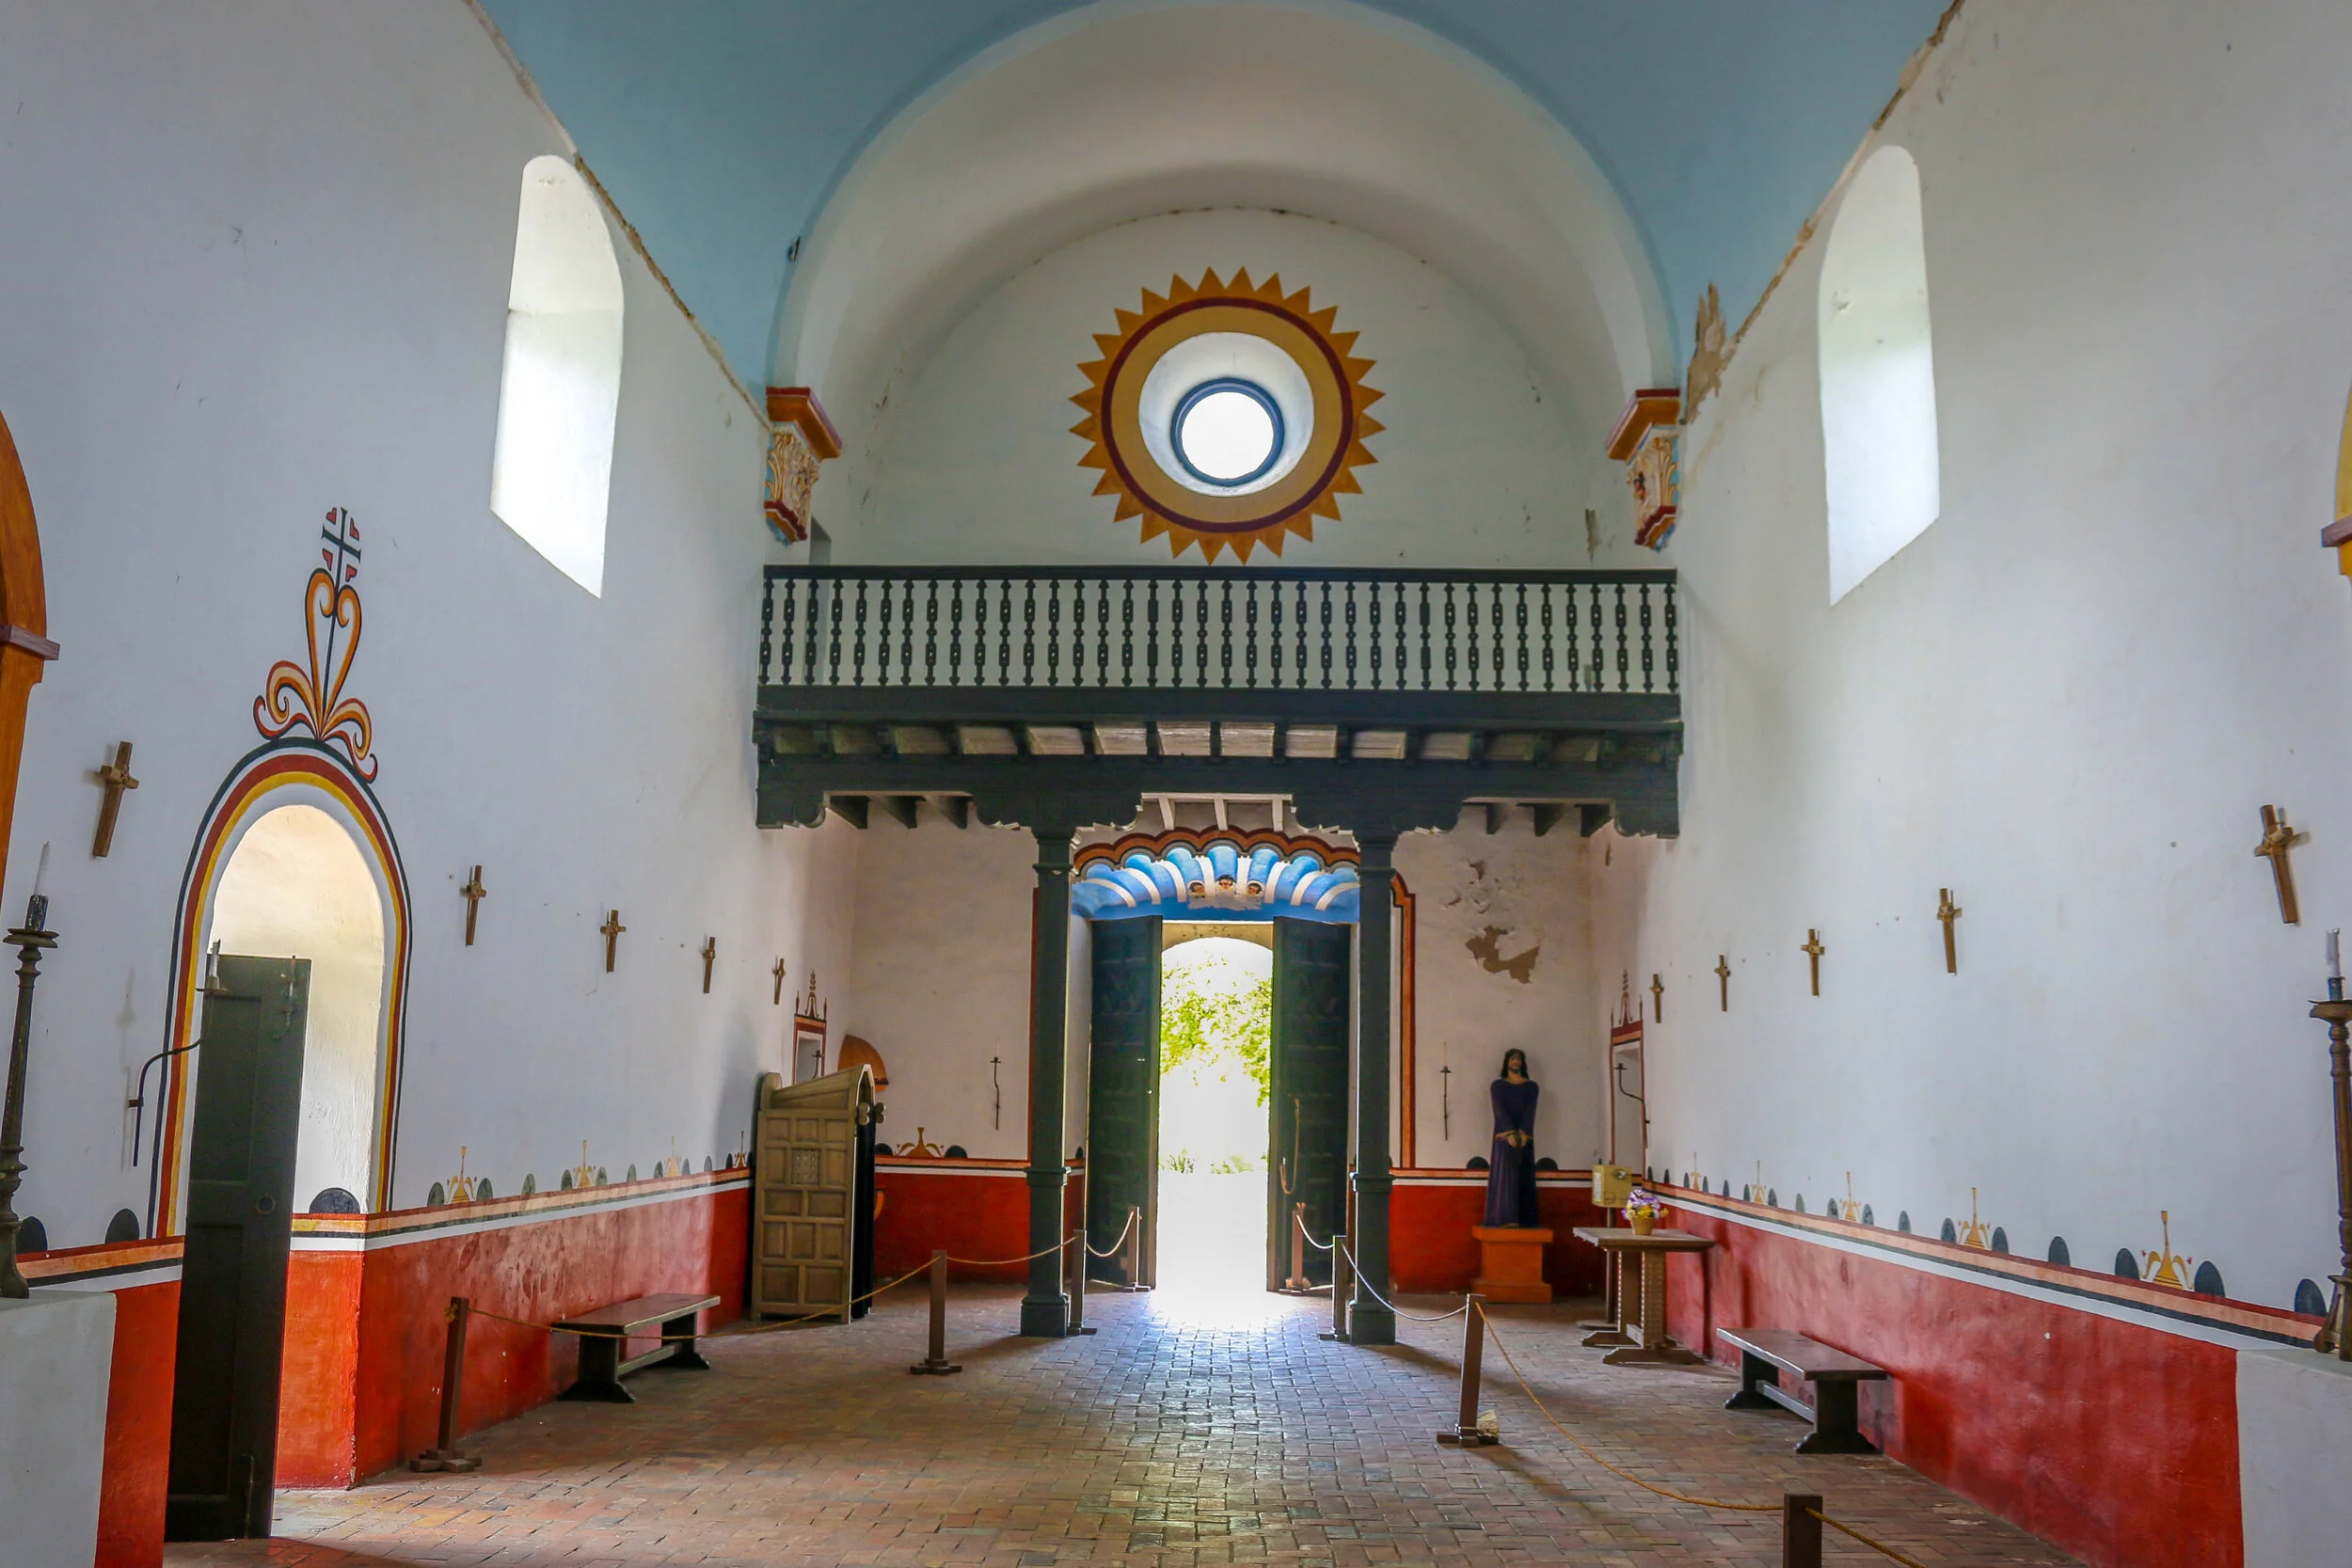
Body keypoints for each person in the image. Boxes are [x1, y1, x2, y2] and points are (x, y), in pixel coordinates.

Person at [1483, 1049, 1540, 1227]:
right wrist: (1509, 1132)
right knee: (1505, 1176)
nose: (1516, 1062)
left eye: (1519, 1059)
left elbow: (1530, 1110)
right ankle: (1503, 1218)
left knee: (1523, 1173)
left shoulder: (1531, 1087)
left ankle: (1524, 1220)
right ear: (1507, 1062)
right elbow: (1499, 1109)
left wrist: (1523, 1132)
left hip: (1524, 1136)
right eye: (1513, 1059)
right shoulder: (1497, 1086)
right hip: (1504, 1136)